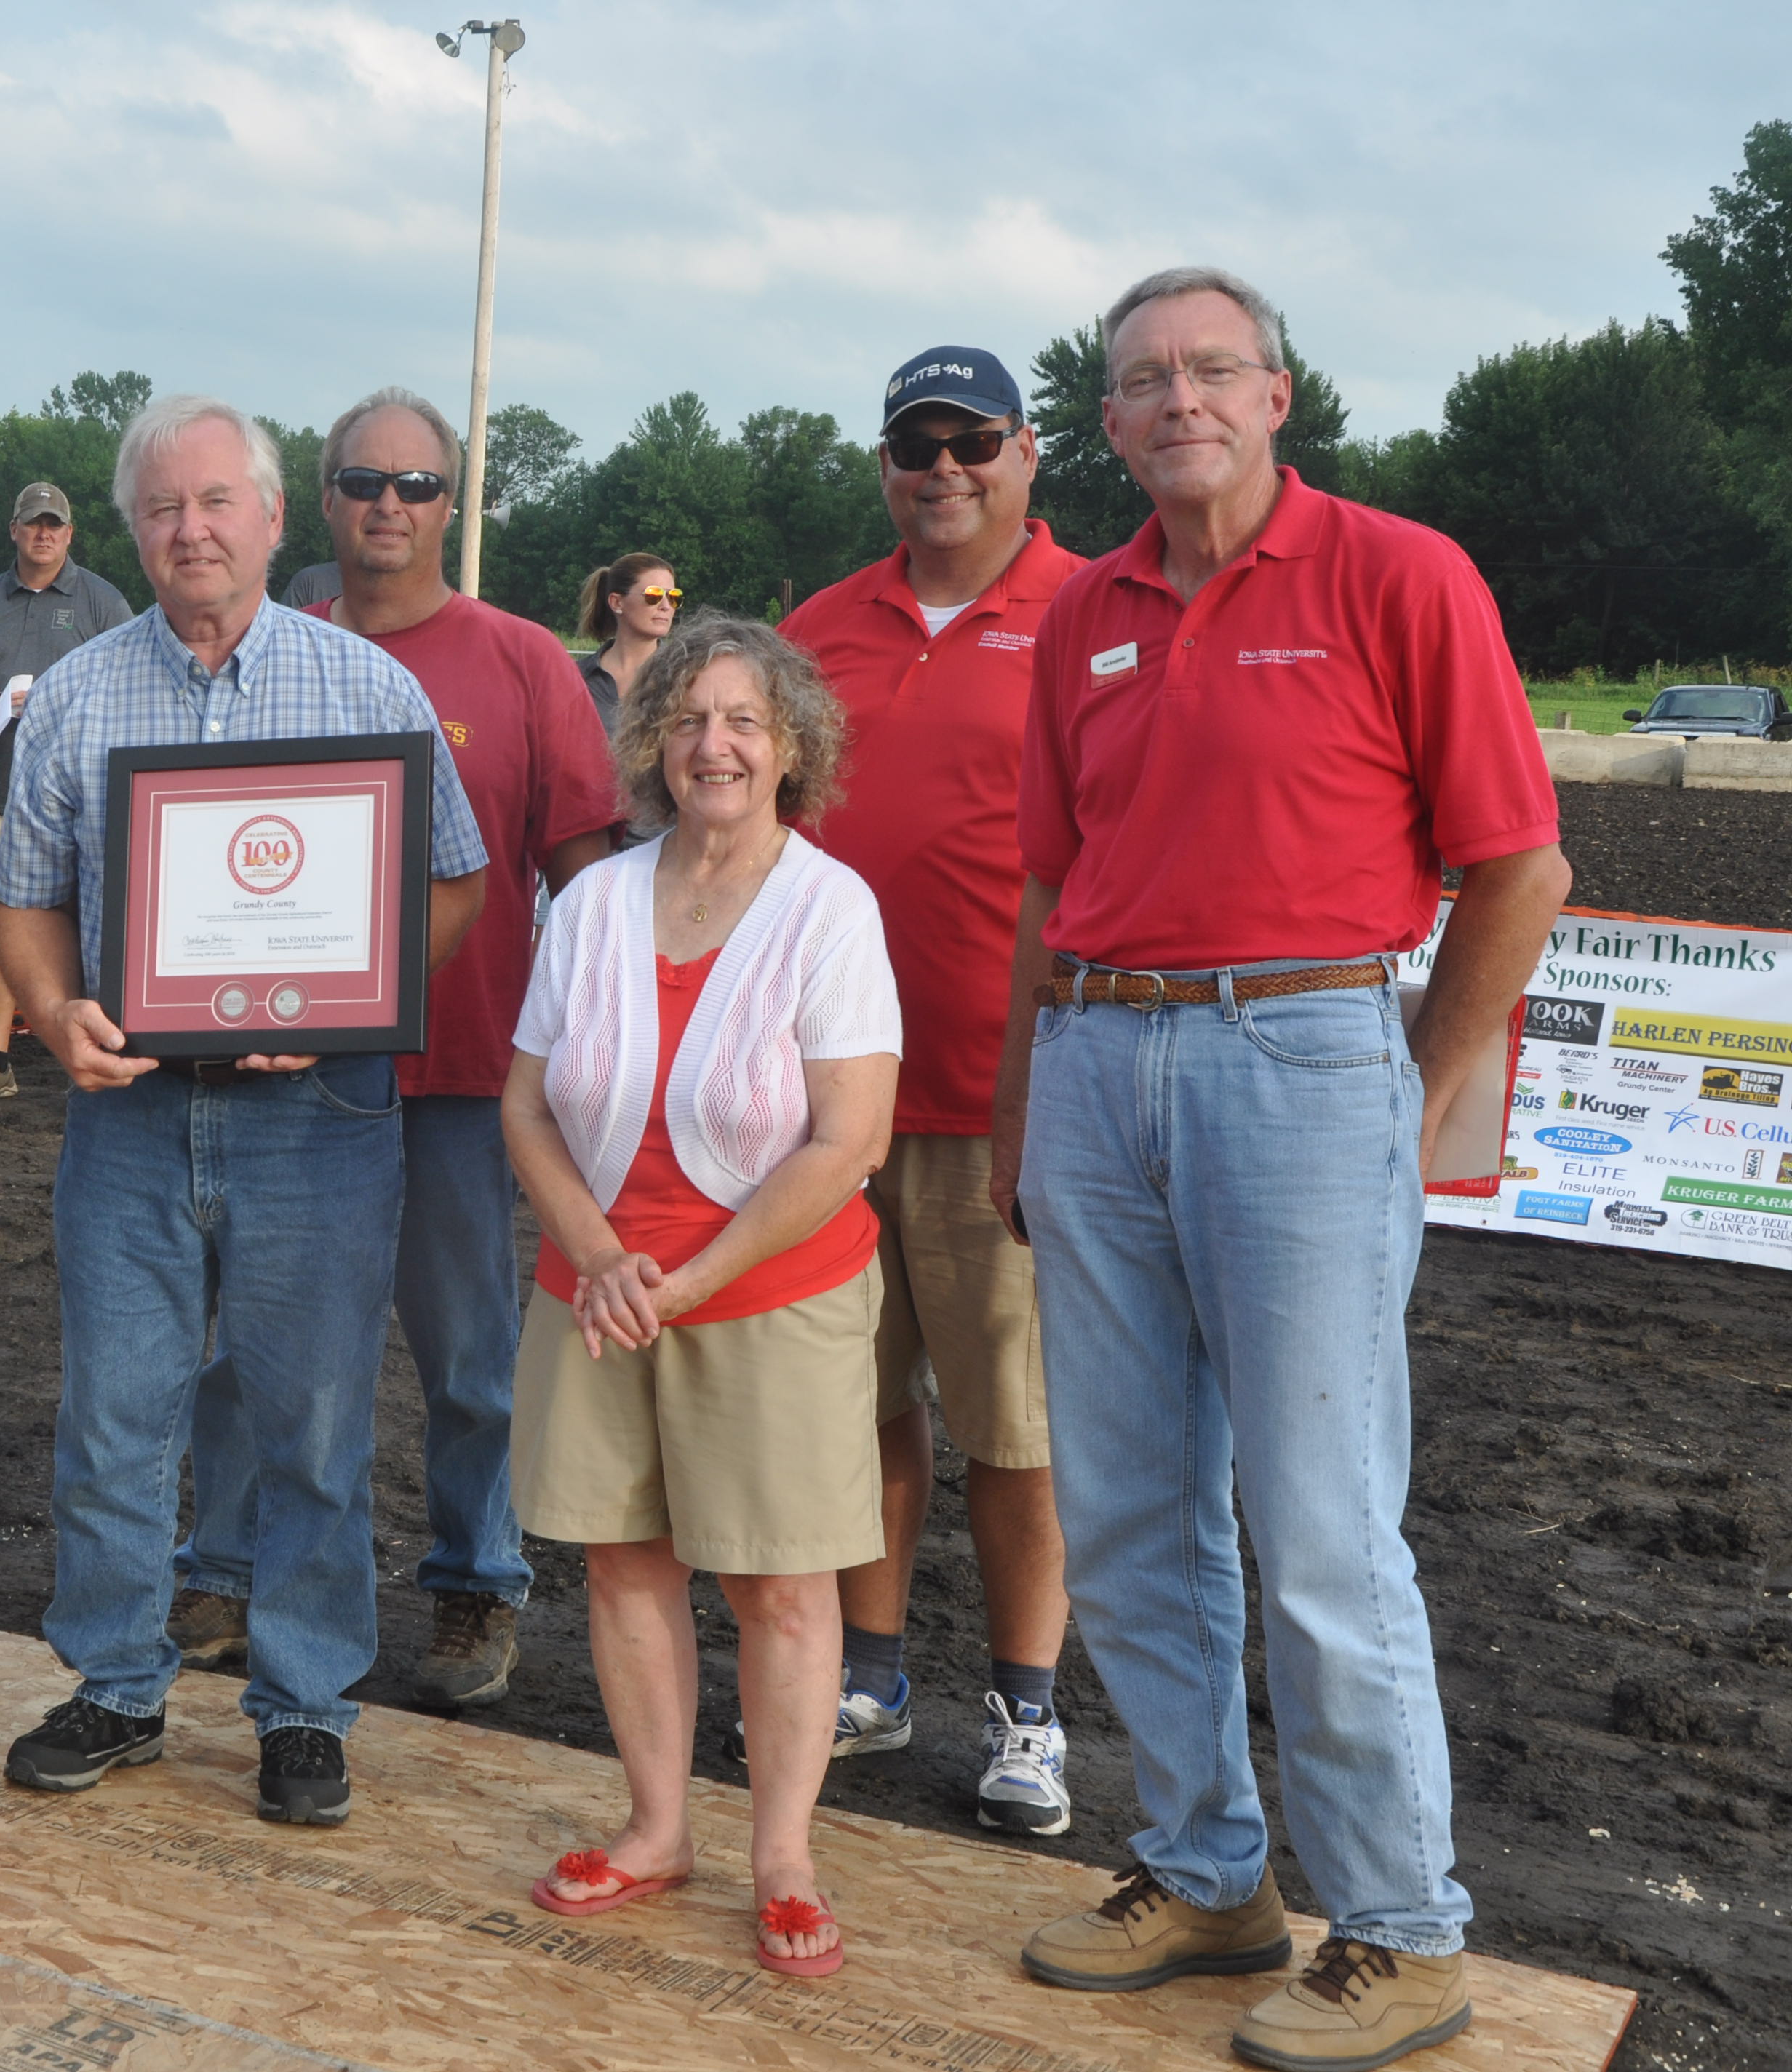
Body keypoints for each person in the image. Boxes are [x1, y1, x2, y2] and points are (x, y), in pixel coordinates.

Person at [1002, 268, 1565, 2071]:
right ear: (1103, 425)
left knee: (1318, 1521)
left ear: (1275, 394)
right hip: (1096, 1053)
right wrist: (1039, 1094)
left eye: (1209, 369)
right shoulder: (1079, 610)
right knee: (1128, 1510)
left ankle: (1399, 1924)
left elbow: (1518, 868)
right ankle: (1205, 1865)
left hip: (1300, 1048)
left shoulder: (1398, 574)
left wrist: (1403, 1094)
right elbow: (1043, 876)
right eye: (1139, 379)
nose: (1176, 397)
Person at [0, 394, 489, 1828]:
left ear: (273, 519)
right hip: (132, 1116)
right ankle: (116, 1684)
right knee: (113, 1419)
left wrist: (346, 998)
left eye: (216, 502)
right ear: (130, 527)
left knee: (316, 1426)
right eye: (161, 507)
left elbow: (450, 879)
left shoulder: (364, 690)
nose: (189, 529)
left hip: (317, 1120)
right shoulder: (79, 692)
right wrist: (50, 1010)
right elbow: (24, 901)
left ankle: (303, 1703)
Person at [170, 391, 615, 1708]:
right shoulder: (269, 648)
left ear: (450, 502)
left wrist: (597, 1047)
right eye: (363, 479)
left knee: (469, 1349)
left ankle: (477, 1579)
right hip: (290, 1072)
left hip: (466, 1072)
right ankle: (225, 1565)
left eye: (416, 485)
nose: (388, 504)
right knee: (255, 1339)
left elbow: (585, 873)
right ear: (322, 498)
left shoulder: (524, 659)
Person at [503, 614, 898, 1977]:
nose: (710, 744)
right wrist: (602, 1258)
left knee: (782, 1586)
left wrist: (688, 1278)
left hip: (766, 1292)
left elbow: (847, 1138)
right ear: (652, 745)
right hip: (595, 1287)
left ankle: (781, 1852)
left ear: (788, 748)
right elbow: (524, 1098)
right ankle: (655, 1823)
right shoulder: (595, 897)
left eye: (740, 720)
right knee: (622, 1562)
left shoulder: (828, 906)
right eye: (684, 719)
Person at [776, 345, 1087, 1836]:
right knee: (856, 1406)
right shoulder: (817, 629)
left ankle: (1027, 1709)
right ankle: (872, 1671)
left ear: (1026, 453)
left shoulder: (1093, 614)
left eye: (972, 438)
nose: (943, 466)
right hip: (829, 1098)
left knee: (1008, 1424)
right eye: (916, 441)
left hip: (1001, 1091)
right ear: (884, 460)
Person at [0, 482, 134, 1099]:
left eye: (55, 524)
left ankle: (109, 1047)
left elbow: (135, 688)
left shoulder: (104, 603)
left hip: (85, 799)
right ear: (14, 530)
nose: (43, 533)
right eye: (33, 523)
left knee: (97, 925)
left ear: (70, 534)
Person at [573, 554, 677, 738]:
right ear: (617, 602)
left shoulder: (684, 676)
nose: (666, 606)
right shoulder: (576, 678)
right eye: (654, 596)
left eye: (674, 597)